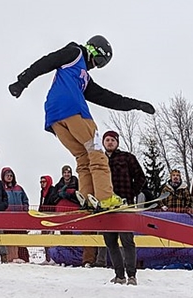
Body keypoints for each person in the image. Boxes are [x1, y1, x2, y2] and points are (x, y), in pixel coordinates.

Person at [9, 35, 155, 210]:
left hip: (53, 117)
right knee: (97, 154)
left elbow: (107, 97)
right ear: (94, 51)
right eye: (99, 61)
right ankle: (106, 198)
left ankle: (87, 196)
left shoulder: (84, 79)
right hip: (73, 109)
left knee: (83, 157)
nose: (95, 66)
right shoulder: (75, 53)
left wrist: (135, 105)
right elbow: (47, 62)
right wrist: (22, 81)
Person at [101, 130, 146, 285]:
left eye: (113, 140)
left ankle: (131, 275)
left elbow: (141, 177)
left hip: (125, 205)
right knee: (110, 242)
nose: (110, 142)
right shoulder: (99, 159)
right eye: (107, 140)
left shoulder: (127, 158)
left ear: (117, 142)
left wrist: (131, 194)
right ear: (103, 142)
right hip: (105, 207)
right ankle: (119, 275)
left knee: (127, 240)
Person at [1, 167, 30, 263]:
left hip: (19, 218)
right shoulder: (1, 189)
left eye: (11, 175)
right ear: (3, 177)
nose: (9, 177)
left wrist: (25, 209)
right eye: (7, 176)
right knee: (9, 239)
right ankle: (10, 258)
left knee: (21, 239)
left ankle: (24, 259)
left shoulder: (19, 188)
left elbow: (25, 200)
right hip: (7, 219)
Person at [38, 175, 57, 264]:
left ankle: (52, 258)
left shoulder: (52, 191)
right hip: (43, 216)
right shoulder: (42, 192)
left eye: (43, 182)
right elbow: (41, 203)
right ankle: (47, 257)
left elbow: (52, 203)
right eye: (41, 182)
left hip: (51, 217)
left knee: (50, 238)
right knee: (44, 238)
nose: (42, 184)